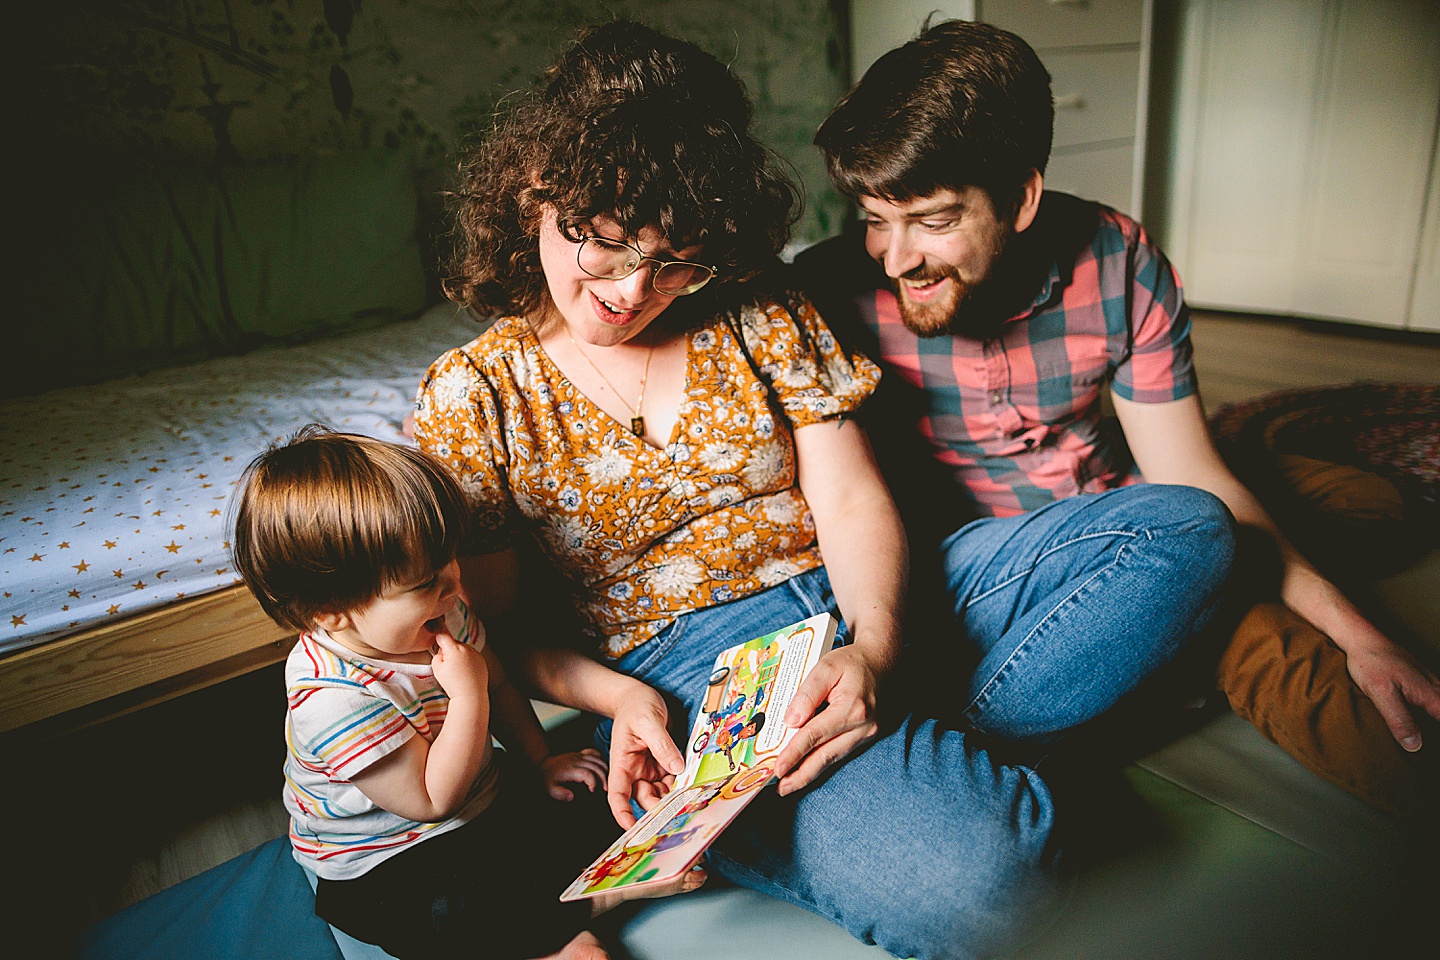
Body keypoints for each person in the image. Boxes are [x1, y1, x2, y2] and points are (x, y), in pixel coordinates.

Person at [413, 20, 1235, 960]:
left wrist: (876, 652)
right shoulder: (474, 395)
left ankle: (881, 733)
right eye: (601, 249)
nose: (636, 290)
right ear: (534, 195)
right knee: (1001, 886)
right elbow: (505, 634)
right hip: (693, 678)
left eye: (675, 258)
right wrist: (621, 702)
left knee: (1188, 533)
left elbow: (848, 502)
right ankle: (836, 772)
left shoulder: (757, 305)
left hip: (880, 592)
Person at [795, 18, 1440, 821]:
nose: (895, 258)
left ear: (1022, 196)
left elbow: (1189, 477)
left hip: (1135, 506)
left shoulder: (1116, 259)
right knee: (1268, 635)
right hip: (1001, 567)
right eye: (873, 219)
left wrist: (1363, 632)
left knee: (1368, 507)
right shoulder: (825, 293)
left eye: (932, 221)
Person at [230, 427, 702, 960]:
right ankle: (591, 905)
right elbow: (432, 801)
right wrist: (469, 694)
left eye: (449, 561)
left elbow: (499, 684)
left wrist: (541, 759)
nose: (454, 585)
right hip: (390, 860)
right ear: (329, 611)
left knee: (590, 791)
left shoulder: (443, 611)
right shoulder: (332, 699)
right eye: (424, 583)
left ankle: (562, 907)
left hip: (481, 802)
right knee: (450, 913)